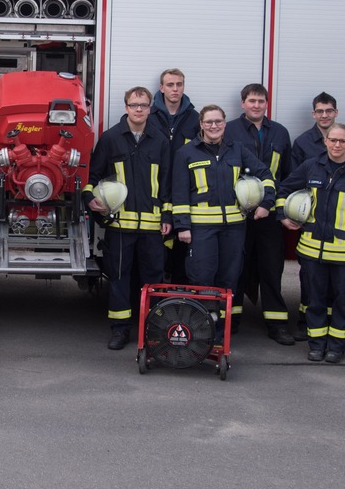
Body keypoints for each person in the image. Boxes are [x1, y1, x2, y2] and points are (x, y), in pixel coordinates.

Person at [172, 105, 275, 332]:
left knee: (229, 278)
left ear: (225, 124)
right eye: (209, 122)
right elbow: (179, 192)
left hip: (234, 229)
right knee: (202, 277)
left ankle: (222, 331)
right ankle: (202, 329)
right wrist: (182, 226)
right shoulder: (186, 153)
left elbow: (265, 175)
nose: (214, 126)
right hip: (201, 229)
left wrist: (266, 203)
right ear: (201, 125)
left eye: (218, 121)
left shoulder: (237, 150)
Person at [278, 123, 345, 363]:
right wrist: (283, 214)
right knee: (315, 301)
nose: (337, 145)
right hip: (312, 251)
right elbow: (283, 189)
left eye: (342, 141)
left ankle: (337, 346)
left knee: (342, 302)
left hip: (344, 253)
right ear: (326, 141)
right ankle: (317, 344)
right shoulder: (311, 167)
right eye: (333, 140)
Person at [84, 86, 171, 350]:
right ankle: (120, 330)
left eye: (143, 105)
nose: (139, 110)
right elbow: (92, 179)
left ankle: (152, 330)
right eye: (134, 105)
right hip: (120, 226)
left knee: (153, 280)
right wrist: (90, 200)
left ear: (150, 108)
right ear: (126, 107)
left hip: (153, 228)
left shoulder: (161, 141)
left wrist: (168, 214)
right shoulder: (111, 139)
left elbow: (167, 184)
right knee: (119, 278)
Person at [226, 83, 294, 343]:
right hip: (237, 214)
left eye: (261, 101)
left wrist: (277, 205)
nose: (256, 105)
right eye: (251, 101)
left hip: (270, 215)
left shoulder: (279, 132)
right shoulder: (229, 130)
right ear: (243, 103)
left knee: (271, 267)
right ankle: (233, 320)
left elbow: (286, 175)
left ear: (267, 104)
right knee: (236, 268)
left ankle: (276, 323)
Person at [289, 92, 345, 339]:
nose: (325, 115)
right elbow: (292, 184)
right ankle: (307, 323)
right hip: (313, 228)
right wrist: (289, 214)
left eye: (329, 110)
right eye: (320, 111)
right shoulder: (302, 143)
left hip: (341, 232)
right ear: (314, 114)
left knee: (339, 287)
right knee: (311, 283)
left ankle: (334, 331)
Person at [151, 68, 200, 283]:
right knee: (154, 257)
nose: (175, 89)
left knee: (182, 255)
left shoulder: (196, 119)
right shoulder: (149, 117)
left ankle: (179, 301)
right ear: (161, 88)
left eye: (179, 84)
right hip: (154, 191)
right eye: (170, 85)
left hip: (185, 194)